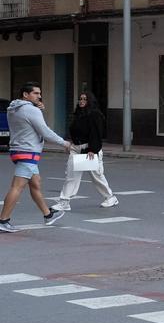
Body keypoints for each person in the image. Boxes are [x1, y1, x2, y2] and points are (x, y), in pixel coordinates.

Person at [0, 82, 71, 232]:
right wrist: (64, 143)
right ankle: (3, 220)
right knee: (17, 187)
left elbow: (29, 125)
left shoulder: (14, 108)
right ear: (26, 95)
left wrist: (38, 110)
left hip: (18, 150)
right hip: (28, 152)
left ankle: (48, 214)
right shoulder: (31, 110)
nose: (39, 96)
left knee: (35, 184)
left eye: (40, 93)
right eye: (36, 93)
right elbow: (44, 131)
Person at [57, 92, 117, 210]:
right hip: (76, 149)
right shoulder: (78, 114)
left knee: (97, 176)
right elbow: (74, 131)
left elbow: (97, 133)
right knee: (71, 176)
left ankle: (110, 197)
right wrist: (70, 144)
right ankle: (64, 201)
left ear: (90, 101)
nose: (81, 101)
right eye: (80, 99)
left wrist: (92, 149)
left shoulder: (95, 114)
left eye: (85, 99)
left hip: (90, 149)